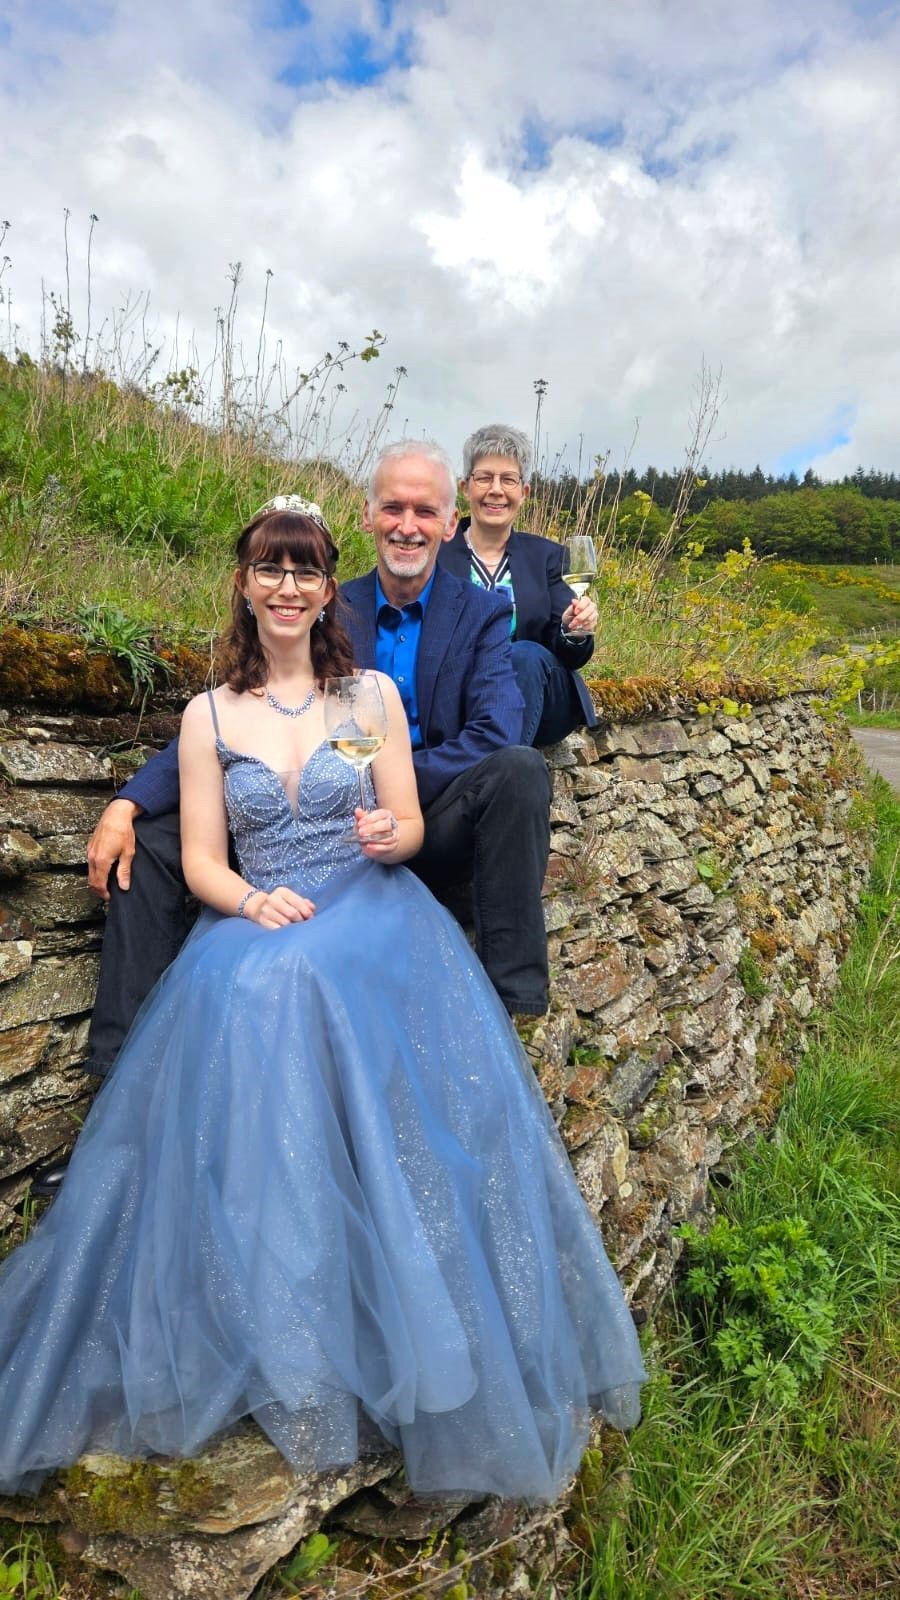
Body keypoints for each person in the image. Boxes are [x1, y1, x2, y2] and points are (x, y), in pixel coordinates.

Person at [0, 505, 645, 1501]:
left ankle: (399, 1319)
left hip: (371, 905)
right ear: (246, 585)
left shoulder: (374, 696)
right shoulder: (210, 716)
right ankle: (277, 1323)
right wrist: (252, 899)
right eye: (270, 569)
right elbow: (207, 858)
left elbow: (410, 820)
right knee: (262, 986)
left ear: (323, 586)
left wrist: (389, 832)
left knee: (309, 985)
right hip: (261, 911)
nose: (289, 587)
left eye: (305, 571)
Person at [32, 445, 552, 1197]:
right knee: (150, 847)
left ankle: (509, 1007)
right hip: (296, 813)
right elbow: (218, 730)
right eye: (393, 509)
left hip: (415, 815)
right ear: (370, 516)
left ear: (450, 522)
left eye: (425, 512)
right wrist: (128, 799)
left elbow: (494, 734)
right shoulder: (324, 598)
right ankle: (117, 1099)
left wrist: (362, 772)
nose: (407, 526)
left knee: (518, 772)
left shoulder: (476, 615)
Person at [439, 423, 600, 747]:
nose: (496, 489)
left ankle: (501, 767)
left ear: (523, 493)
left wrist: (574, 630)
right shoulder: (435, 556)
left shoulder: (549, 557)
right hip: (460, 701)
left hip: (539, 700)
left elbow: (569, 656)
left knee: (525, 655)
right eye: (484, 478)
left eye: (508, 479)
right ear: (465, 487)